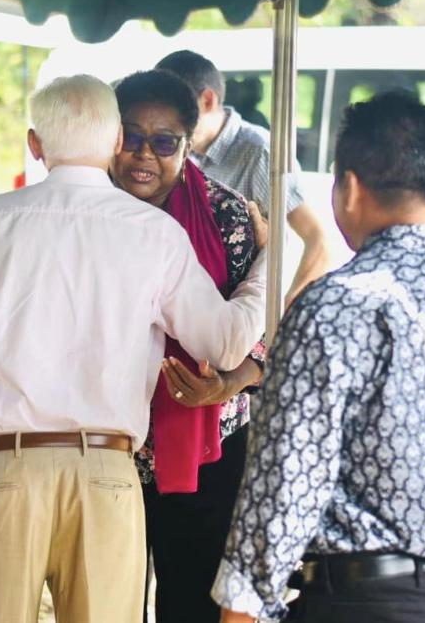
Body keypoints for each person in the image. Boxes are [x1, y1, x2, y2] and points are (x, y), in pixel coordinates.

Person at [0, 74, 267, 623]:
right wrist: (265, 273)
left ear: (36, 144)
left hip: (2, 467)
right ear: (115, 141)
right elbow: (225, 346)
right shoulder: (154, 233)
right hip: (106, 470)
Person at [214, 91, 425, 623]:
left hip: (371, 601)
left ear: (349, 188)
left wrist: (242, 605)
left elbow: (284, 483)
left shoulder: (339, 304)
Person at [109, 69, 266, 623]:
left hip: (207, 444)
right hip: (108, 440)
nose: (143, 154)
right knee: (107, 600)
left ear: (188, 144)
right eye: (130, 136)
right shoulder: (88, 211)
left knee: (193, 601)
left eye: (164, 142)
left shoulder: (227, 215)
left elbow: (264, 324)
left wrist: (230, 382)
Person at [157, 50, 329, 307]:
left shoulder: (259, 153)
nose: (165, 123)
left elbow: (318, 240)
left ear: (207, 101)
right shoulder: (175, 148)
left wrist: (288, 311)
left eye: (173, 110)